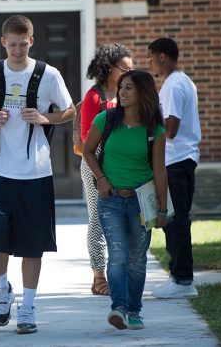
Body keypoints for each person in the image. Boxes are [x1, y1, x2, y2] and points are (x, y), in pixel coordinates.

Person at [0, 15, 75, 334]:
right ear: (4, 42)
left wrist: (45, 118)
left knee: (32, 244)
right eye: (12, 44)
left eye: (23, 43)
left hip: (35, 172)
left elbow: (70, 109)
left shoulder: (49, 74)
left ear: (32, 41)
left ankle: (28, 306)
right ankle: (3, 289)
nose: (17, 50)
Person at [83, 70, 168, 330]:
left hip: (141, 202)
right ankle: (118, 307)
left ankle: (134, 310)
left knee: (137, 257)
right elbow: (87, 151)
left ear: (143, 92)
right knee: (118, 254)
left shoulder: (155, 129)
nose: (122, 92)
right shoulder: (106, 119)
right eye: (121, 87)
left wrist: (163, 209)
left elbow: (159, 170)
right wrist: (100, 178)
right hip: (110, 199)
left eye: (129, 88)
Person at [147, 37, 201, 299]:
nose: (149, 63)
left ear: (163, 57)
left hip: (176, 162)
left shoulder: (173, 85)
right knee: (176, 220)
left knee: (175, 221)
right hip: (182, 160)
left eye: (151, 57)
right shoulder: (183, 81)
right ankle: (180, 277)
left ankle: (182, 281)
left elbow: (170, 129)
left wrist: (148, 130)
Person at [80, 43, 134, 296]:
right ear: (109, 68)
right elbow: (85, 137)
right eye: (125, 68)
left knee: (122, 219)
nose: (129, 72)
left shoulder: (129, 94)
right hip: (95, 163)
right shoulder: (94, 97)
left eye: (132, 69)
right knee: (98, 220)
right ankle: (98, 277)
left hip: (122, 163)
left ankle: (118, 273)